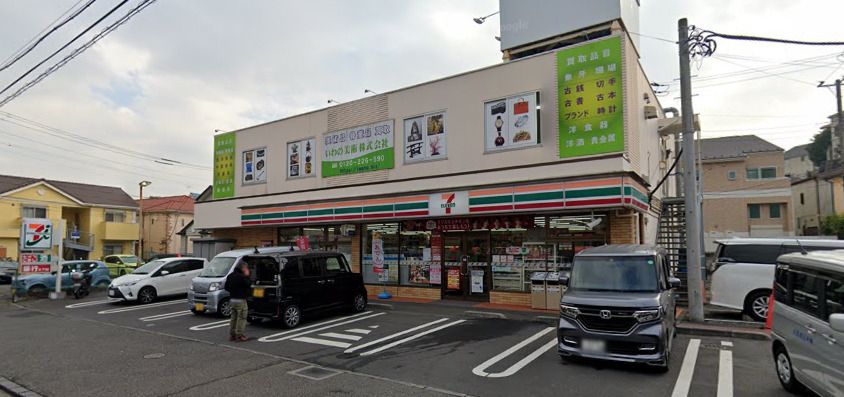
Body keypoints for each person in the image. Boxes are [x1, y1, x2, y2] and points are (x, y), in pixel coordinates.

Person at [224, 262, 252, 341]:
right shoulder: (242, 277)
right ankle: (240, 335)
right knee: (242, 318)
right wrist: (247, 275)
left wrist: (233, 291)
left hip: (232, 299)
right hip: (241, 300)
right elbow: (248, 284)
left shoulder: (230, 276)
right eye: (246, 268)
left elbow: (226, 287)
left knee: (234, 317)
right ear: (243, 268)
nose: (247, 269)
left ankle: (232, 335)